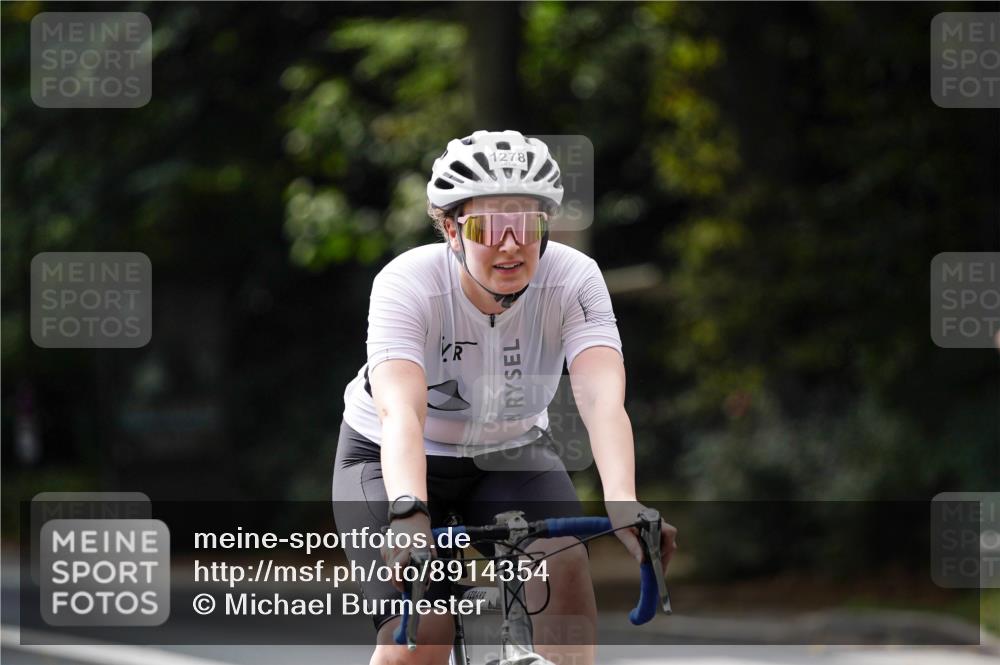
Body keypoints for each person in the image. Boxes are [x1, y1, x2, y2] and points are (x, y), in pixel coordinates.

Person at [332, 130, 677, 665]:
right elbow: (400, 410)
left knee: (562, 571)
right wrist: (408, 512)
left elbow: (602, 400)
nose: (511, 243)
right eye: (488, 226)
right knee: (425, 633)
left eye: (527, 224)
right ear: (451, 228)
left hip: (509, 453)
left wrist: (623, 501)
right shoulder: (408, 283)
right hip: (391, 457)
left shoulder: (573, 279)